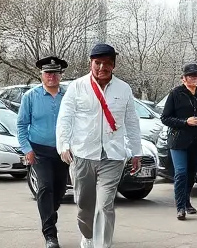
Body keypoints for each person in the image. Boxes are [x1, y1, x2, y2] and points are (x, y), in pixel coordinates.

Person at [55, 44, 142, 248]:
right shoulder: (77, 87)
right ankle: (88, 235)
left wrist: (136, 151)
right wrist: (63, 145)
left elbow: (131, 121)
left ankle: (102, 244)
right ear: (90, 63)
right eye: (97, 63)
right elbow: (65, 118)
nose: (102, 67)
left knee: (105, 205)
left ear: (113, 65)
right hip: (83, 154)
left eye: (107, 63)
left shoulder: (124, 88)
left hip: (113, 156)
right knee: (85, 204)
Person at [15, 56, 70, 248]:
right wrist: (27, 149)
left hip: (63, 152)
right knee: (45, 187)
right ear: (41, 75)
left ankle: (49, 214)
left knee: (60, 190)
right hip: (40, 151)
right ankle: (50, 236)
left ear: (60, 75)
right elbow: (21, 125)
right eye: (48, 73)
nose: (51, 77)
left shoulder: (69, 95)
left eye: (55, 73)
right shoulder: (30, 97)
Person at [161, 63, 197, 220]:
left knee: (191, 173)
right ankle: (180, 206)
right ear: (183, 78)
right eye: (191, 76)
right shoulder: (176, 93)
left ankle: (187, 201)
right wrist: (185, 122)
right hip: (179, 139)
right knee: (181, 172)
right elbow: (165, 118)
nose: (194, 79)